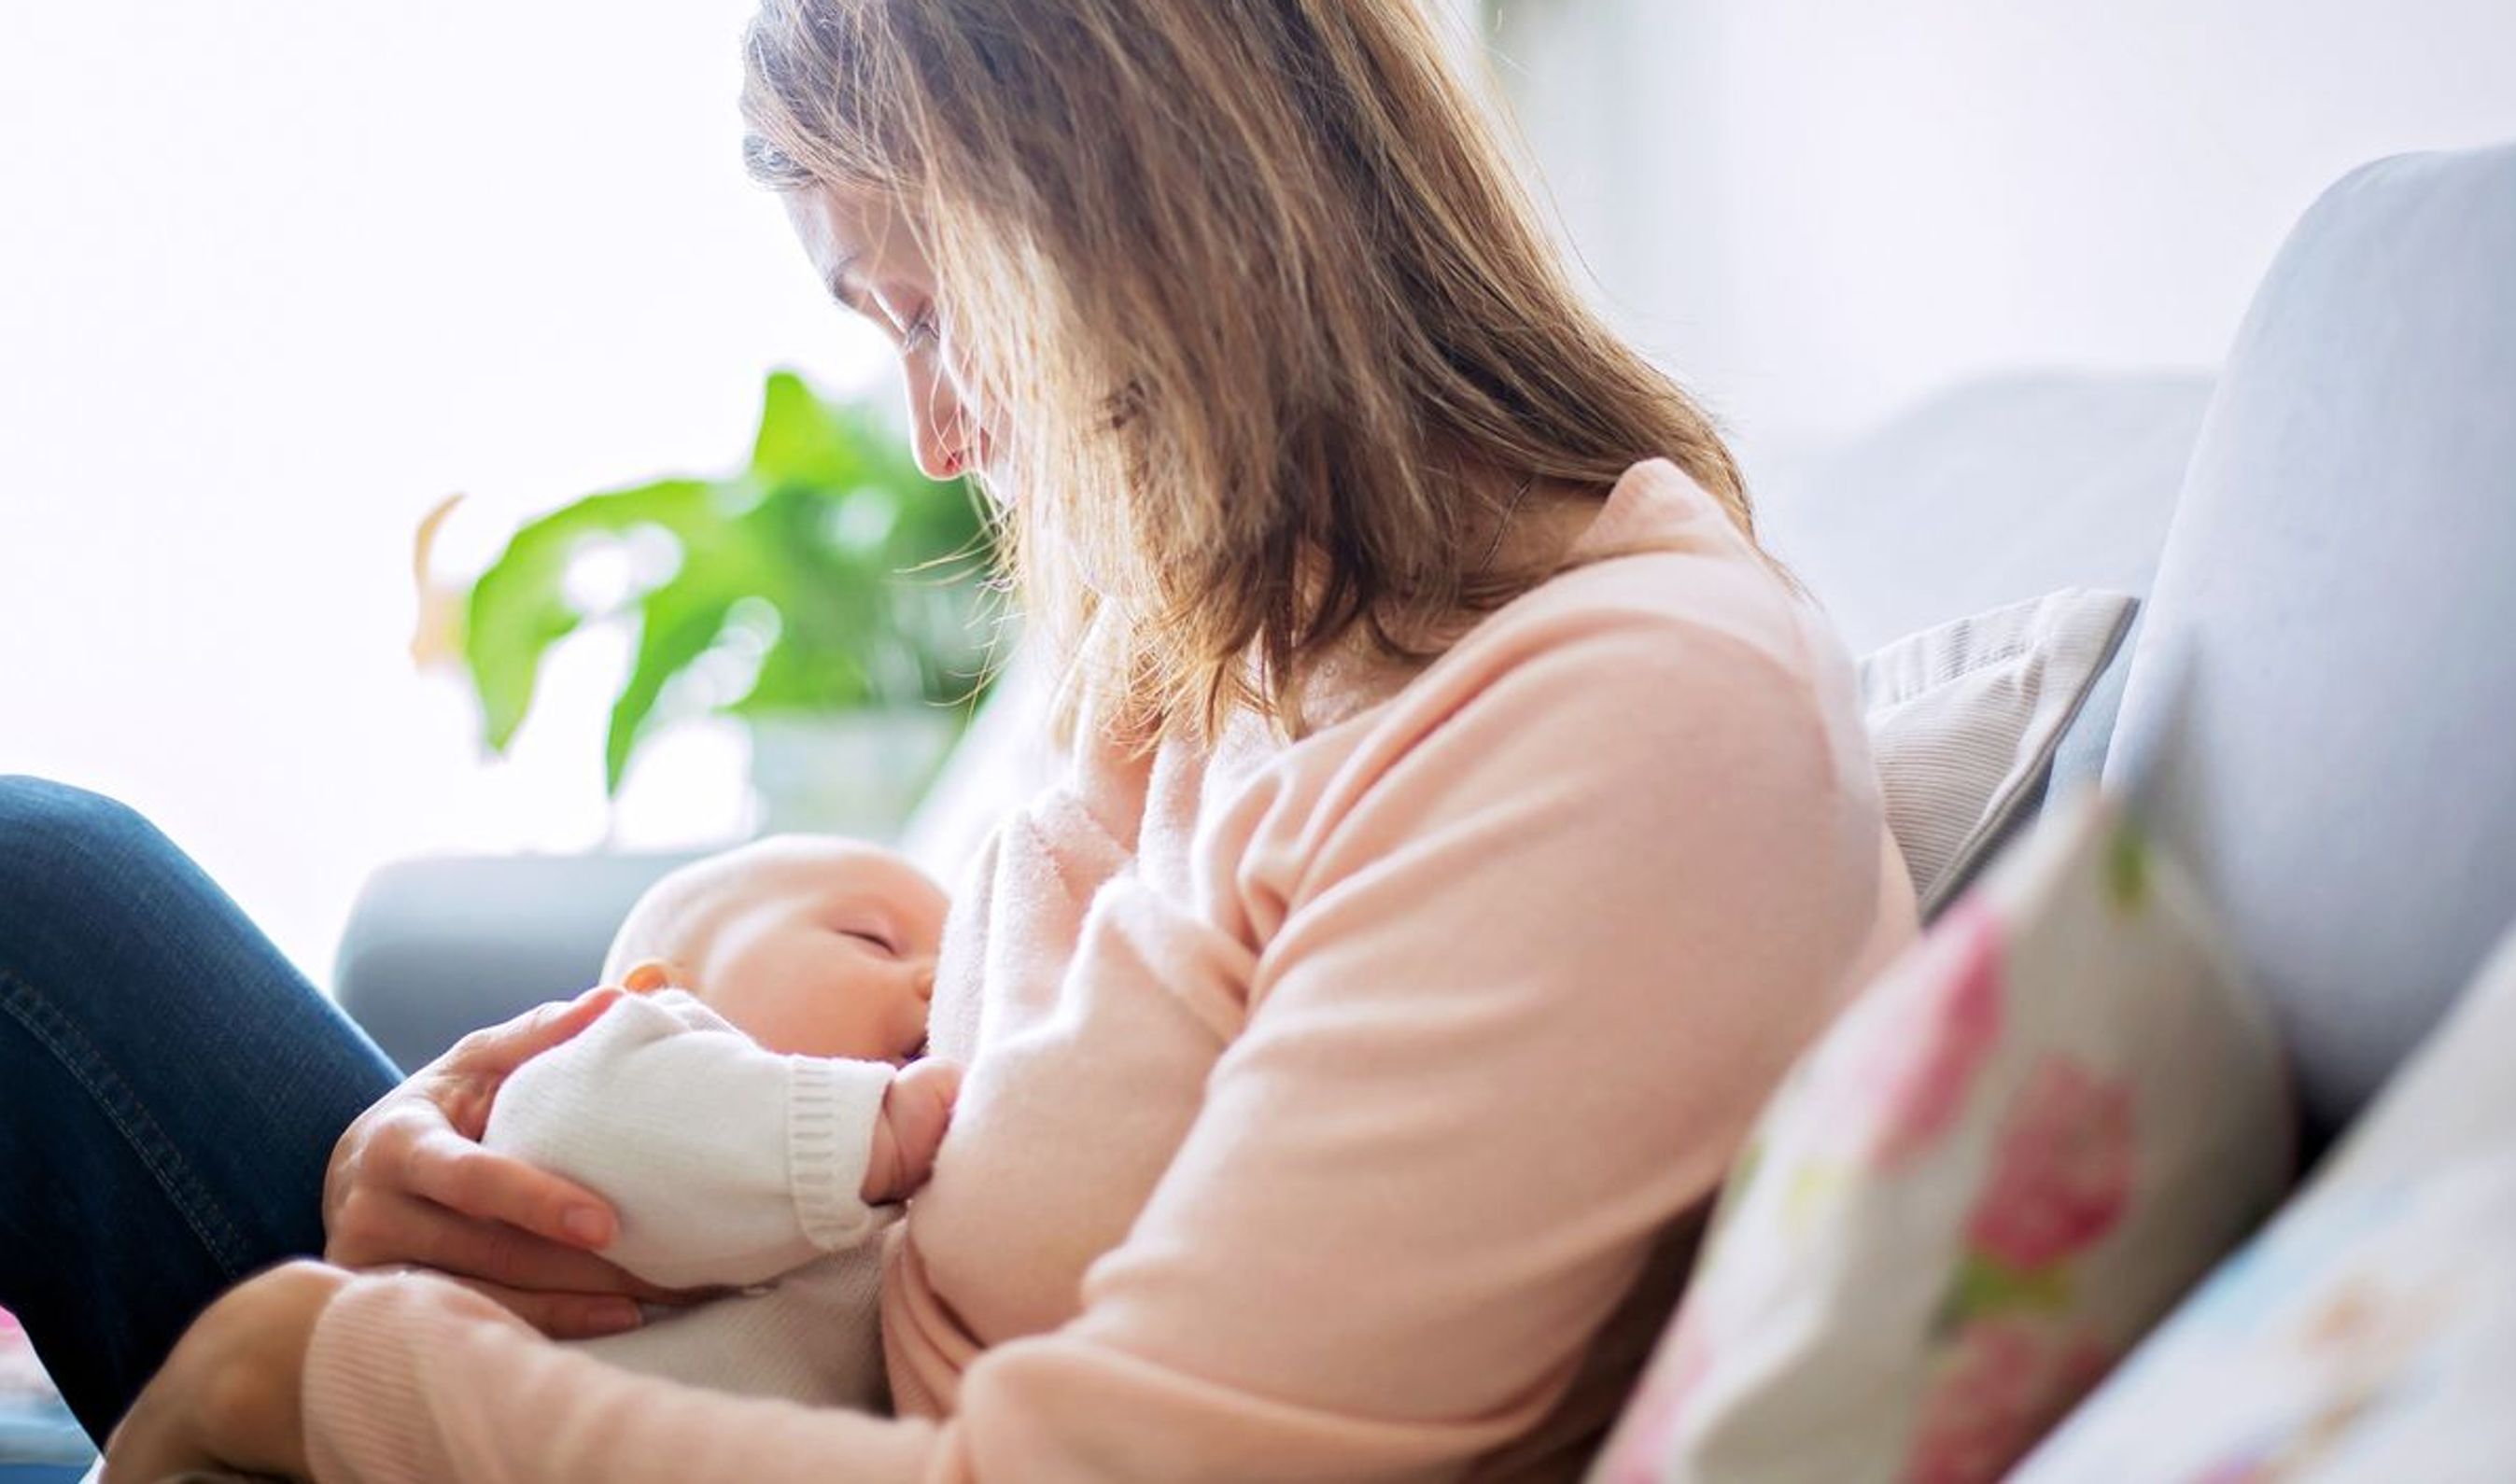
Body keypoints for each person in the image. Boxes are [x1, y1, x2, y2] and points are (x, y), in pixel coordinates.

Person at [0, 1, 1919, 1479]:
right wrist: (506, 1181)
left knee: (32, 911)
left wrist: (319, 1371)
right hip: (764, 1376)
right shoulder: (1242, 630)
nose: (931, 437)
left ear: (1165, 230)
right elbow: (960, 1137)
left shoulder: (1626, 738)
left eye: (931, 311)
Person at [493, 834, 963, 1408]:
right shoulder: (610, 1064)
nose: (942, 982)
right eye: (875, 940)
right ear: (658, 990)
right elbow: (561, 1129)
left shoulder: (908, 1209)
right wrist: (875, 1133)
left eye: (961, 966)